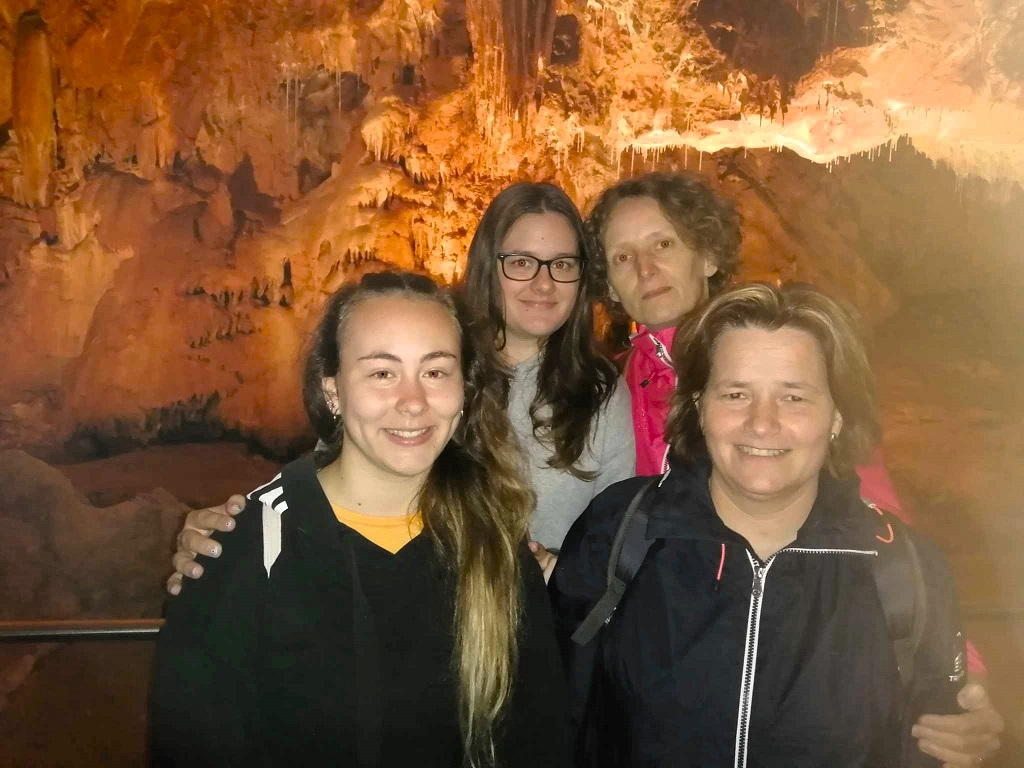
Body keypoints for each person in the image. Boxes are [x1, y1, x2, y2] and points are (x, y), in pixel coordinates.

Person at [585, 171, 1002, 766]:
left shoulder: (792, 354)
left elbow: (879, 519)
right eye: (623, 257)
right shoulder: (609, 388)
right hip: (673, 656)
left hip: (800, 638)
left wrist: (962, 677)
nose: (646, 269)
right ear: (609, 283)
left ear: (707, 254)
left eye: (663, 244)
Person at [149, 271, 570, 766]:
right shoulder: (242, 552)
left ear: (465, 390)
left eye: (435, 372)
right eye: (382, 373)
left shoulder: (496, 548)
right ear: (332, 390)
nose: (413, 402)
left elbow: (540, 739)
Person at [550, 283, 966, 767]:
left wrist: (968, 736)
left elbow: (935, 740)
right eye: (736, 394)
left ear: (837, 416)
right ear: (698, 406)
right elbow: (555, 713)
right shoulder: (618, 532)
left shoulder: (903, 568)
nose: (762, 423)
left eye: (793, 397)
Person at [166, 182, 634, 586]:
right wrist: (238, 531)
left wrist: (562, 572)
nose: (544, 283)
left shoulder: (602, 394)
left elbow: (616, 541)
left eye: (562, 264)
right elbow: (337, 467)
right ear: (488, 265)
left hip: (538, 624)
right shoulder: (425, 366)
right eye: (522, 262)